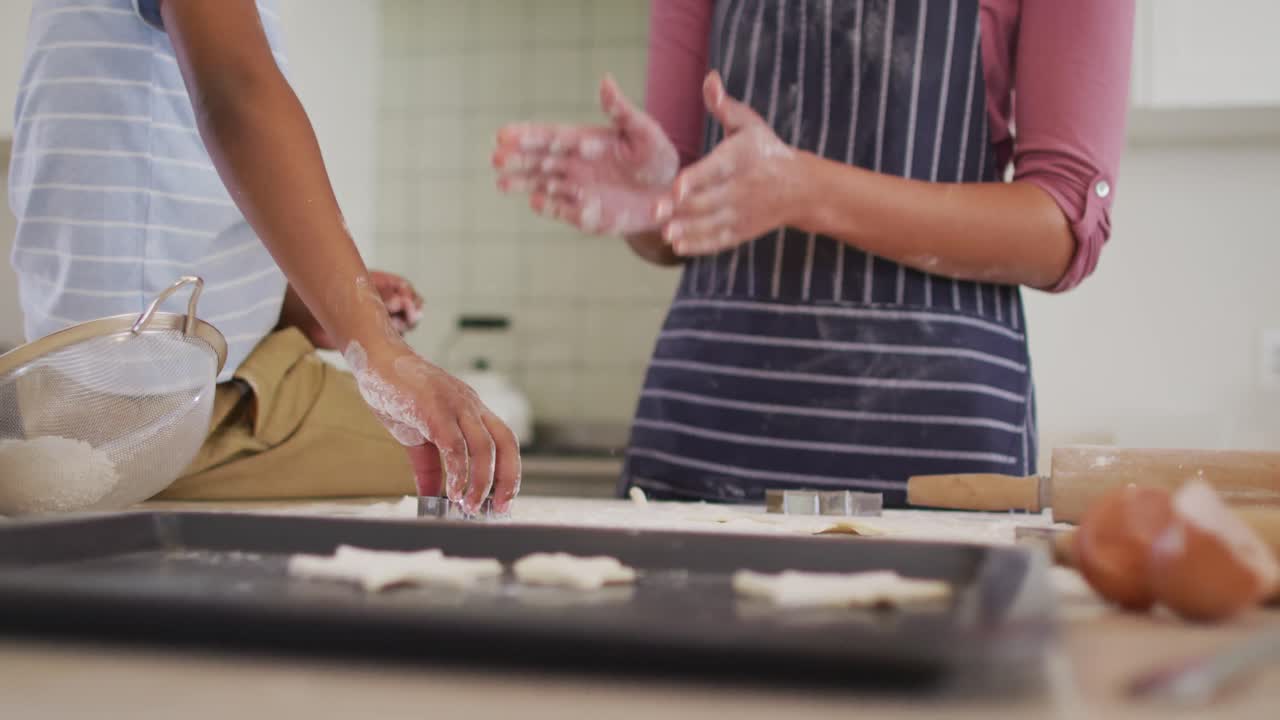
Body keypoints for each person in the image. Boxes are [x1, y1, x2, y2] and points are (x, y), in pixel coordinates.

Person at [493, 0, 1133, 506]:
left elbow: (1058, 231)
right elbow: (677, 216)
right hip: (710, 436)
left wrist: (805, 189)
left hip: (936, 457)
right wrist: (656, 192)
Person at [9, 0, 519, 513]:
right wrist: (380, 352)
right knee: (479, 464)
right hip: (165, 420)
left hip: (112, 393)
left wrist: (298, 303)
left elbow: (138, 206)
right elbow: (235, 92)